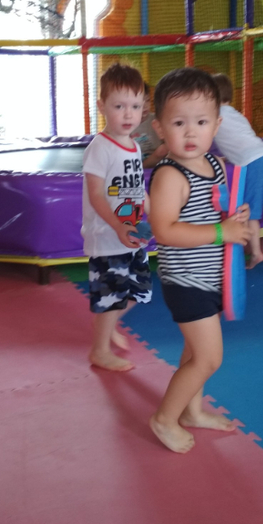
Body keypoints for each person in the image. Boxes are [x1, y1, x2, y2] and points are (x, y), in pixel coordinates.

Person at [148, 68, 250, 454]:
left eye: (202, 122)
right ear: (160, 128)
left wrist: (235, 218)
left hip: (211, 278)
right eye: (179, 123)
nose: (191, 132)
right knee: (209, 358)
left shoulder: (215, 165)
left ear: (217, 125)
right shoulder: (170, 176)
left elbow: (215, 211)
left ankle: (192, 411)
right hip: (186, 281)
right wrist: (222, 232)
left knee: (193, 353)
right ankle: (164, 418)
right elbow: (165, 231)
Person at [82, 63, 152, 373]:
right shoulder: (100, 148)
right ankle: (99, 350)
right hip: (108, 237)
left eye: (135, 106)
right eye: (119, 106)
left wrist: (156, 215)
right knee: (112, 295)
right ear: (102, 106)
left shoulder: (134, 147)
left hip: (132, 234)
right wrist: (117, 225)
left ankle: (107, 324)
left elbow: (138, 188)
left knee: (139, 290)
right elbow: (96, 194)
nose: (128, 114)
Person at [212, 72, 263, 269]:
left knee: (251, 209)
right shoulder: (238, 115)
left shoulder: (214, 116)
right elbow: (242, 139)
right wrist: (230, 156)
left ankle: (256, 253)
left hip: (252, 162)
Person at [131, 84, 168, 168]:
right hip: (133, 163)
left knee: (163, 150)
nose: (145, 106)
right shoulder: (126, 124)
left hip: (156, 162)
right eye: (139, 102)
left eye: (147, 100)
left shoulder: (157, 119)